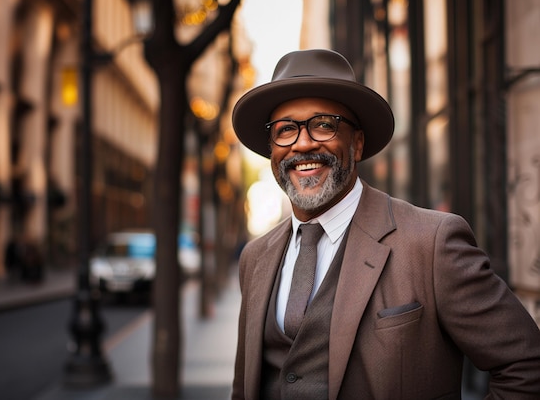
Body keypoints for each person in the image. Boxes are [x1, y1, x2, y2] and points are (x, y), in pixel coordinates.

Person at [230, 49, 540, 399]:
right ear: (272, 149)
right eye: (286, 129)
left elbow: (526, 365)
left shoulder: (431, 243)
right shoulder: (254, 258)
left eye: (323, 125)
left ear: (357, 143)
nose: (303, 143)